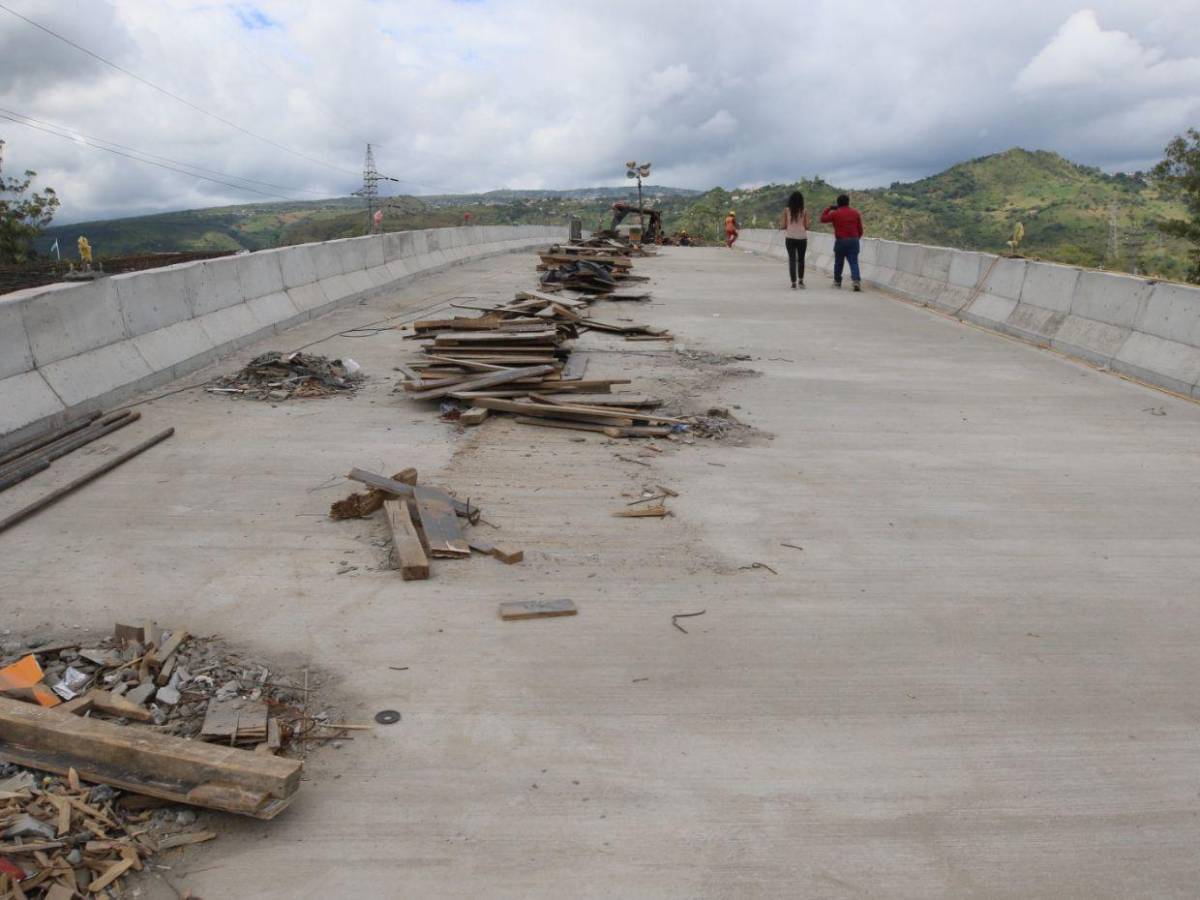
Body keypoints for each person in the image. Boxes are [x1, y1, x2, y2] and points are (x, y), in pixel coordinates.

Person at [820, 194, 864, 291]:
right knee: (854, 262)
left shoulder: (836, 213)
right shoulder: (855, 213)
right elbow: (860, 230)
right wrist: (855, 239)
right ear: (848, 202)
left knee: (839, 262)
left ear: (838, 203)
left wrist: (829, 208)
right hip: (854, 240)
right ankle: (856, 281)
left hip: (841, 241)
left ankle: (837, 282)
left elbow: (822, 219)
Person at [780, 190, 811, 289]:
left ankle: (793, 282)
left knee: (792, 260)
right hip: (802, 238)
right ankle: (801, 281)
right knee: (801, 260)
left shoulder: (786, 210)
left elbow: (784, 225)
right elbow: (807, 226)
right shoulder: (804, 211)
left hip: (790, 238)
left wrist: (786, 226)